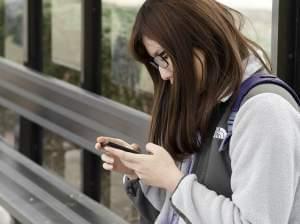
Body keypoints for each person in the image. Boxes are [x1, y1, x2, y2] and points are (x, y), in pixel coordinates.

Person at [95, 0, 300, 223]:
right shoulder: (209, 102)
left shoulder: (265, 110)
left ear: (200, 40)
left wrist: (174, 181)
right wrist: (141, 174)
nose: (163, 75)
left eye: (164, 57)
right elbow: (184, 213)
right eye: (157, 62)